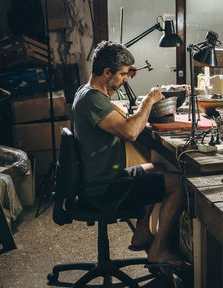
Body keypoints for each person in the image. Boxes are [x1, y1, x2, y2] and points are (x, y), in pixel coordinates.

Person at [72, 40, 185, 266]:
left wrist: (137, 106)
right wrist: (151, 100)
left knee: (158, 168)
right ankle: (158, 250)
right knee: (179, 184)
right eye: (123, 74)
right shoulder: (93, 99)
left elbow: (122, 120)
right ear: (106, 72)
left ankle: (142, 233)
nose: (126, 79)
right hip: (104, 188)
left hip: (100, 177)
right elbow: (131, 132)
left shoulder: (87, 93)